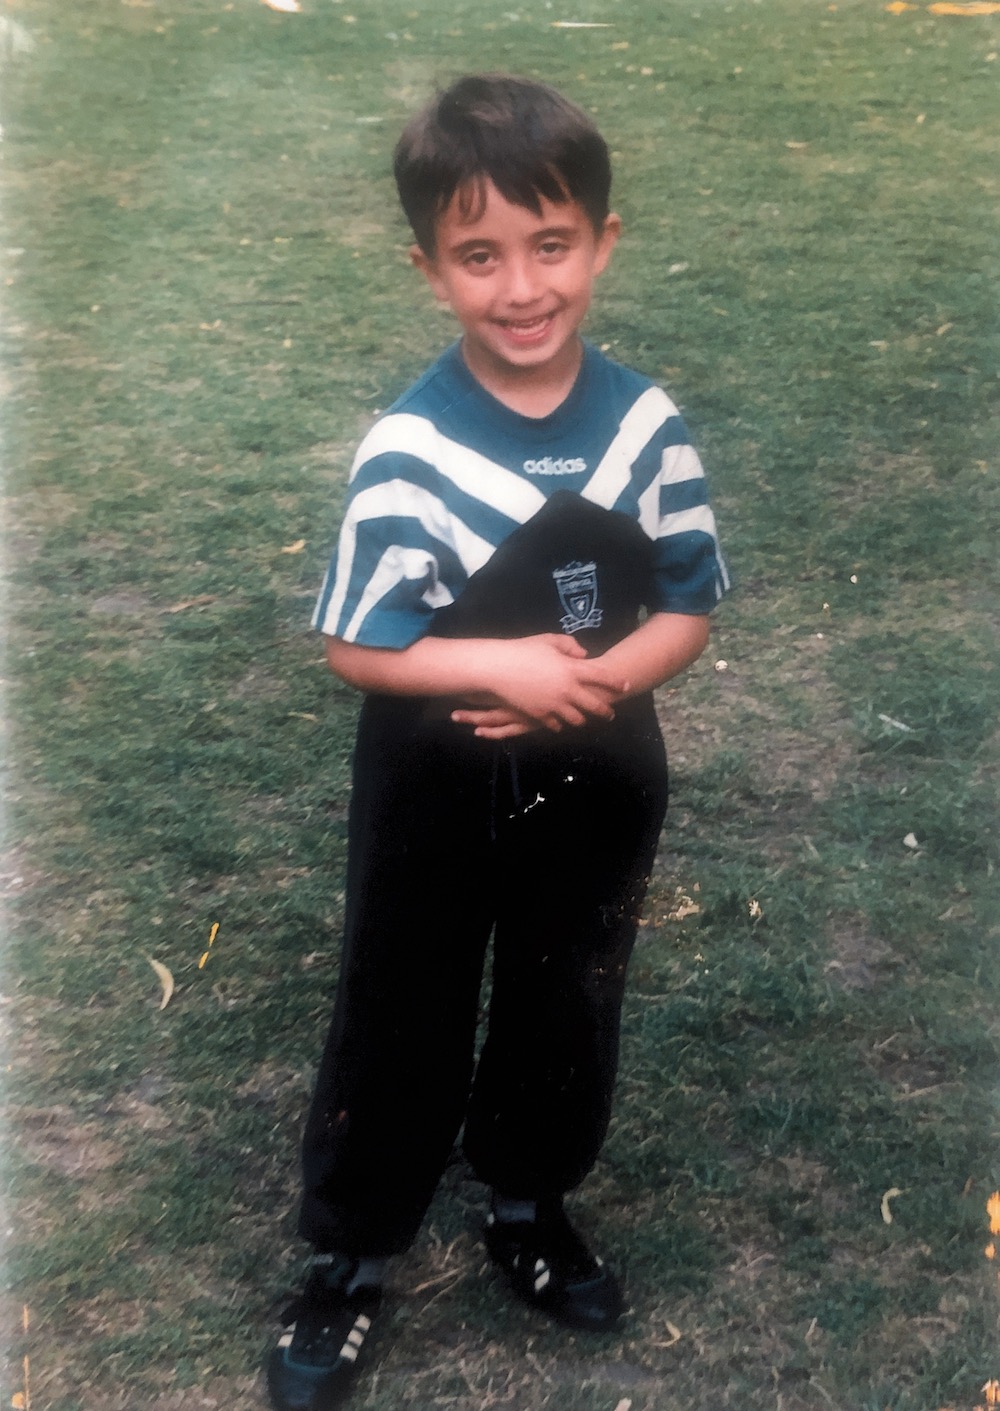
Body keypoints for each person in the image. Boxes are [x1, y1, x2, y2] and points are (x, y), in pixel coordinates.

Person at [267, 72, 729, 1411]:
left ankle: (529, 1201)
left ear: (602, 242)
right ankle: (352, 1255)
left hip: (597, 768)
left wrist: (595, 683)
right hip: (432, 781)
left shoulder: (646, 428)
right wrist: (496, 664)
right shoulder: (409, 449)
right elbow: (360, 641)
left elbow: (691, 603)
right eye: (480, 256)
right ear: (430, 270)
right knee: (400, 1001)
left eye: (551, 245)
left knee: (564, 989)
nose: (522, 288)